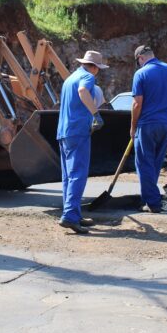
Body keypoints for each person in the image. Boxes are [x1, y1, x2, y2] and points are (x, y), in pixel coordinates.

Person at [56, 51, 109, 234]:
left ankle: (74, 213)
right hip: (78, 131)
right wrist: (96, 114)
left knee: (68, 176)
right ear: (94, 67)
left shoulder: (70, 78)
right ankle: (70, 216)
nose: (98, 72)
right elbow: (82, 91)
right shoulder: (87, 77)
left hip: (64, 132)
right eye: (99, 69)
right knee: (78, 173)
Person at [130, 45, 167, 213]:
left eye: (137, 62)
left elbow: (136, 103)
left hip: (147, 124)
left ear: (140, 58)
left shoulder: (141, 74)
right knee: (155, 163)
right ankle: (149, 197)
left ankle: (153, 202)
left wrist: (133, 127)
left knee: (143, 163)